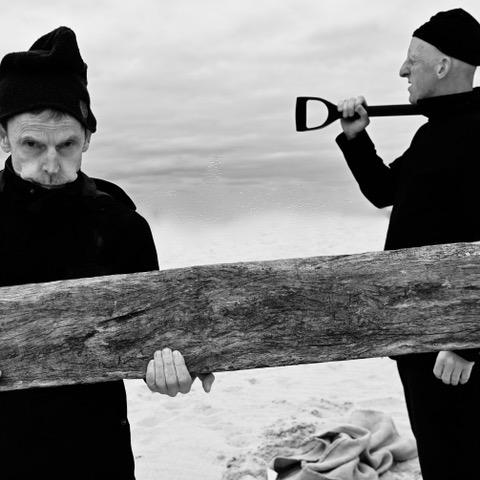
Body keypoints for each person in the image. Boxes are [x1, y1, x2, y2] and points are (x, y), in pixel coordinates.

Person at [0, 27, 214, 479]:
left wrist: (181, 366)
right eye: (32, 145)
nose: (52, 164)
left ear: (88, 139)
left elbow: (160, 337)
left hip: (93, 447)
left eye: (67, 145)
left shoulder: (120, 224)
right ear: (4, 139)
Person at [335, 8, 480, 480]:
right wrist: (356, 138)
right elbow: (384, 192)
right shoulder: (433, 133)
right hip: (421, 339)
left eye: (411, 60)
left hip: (455, 351)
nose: (402, 71)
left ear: (442, 66)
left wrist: (469, 343)